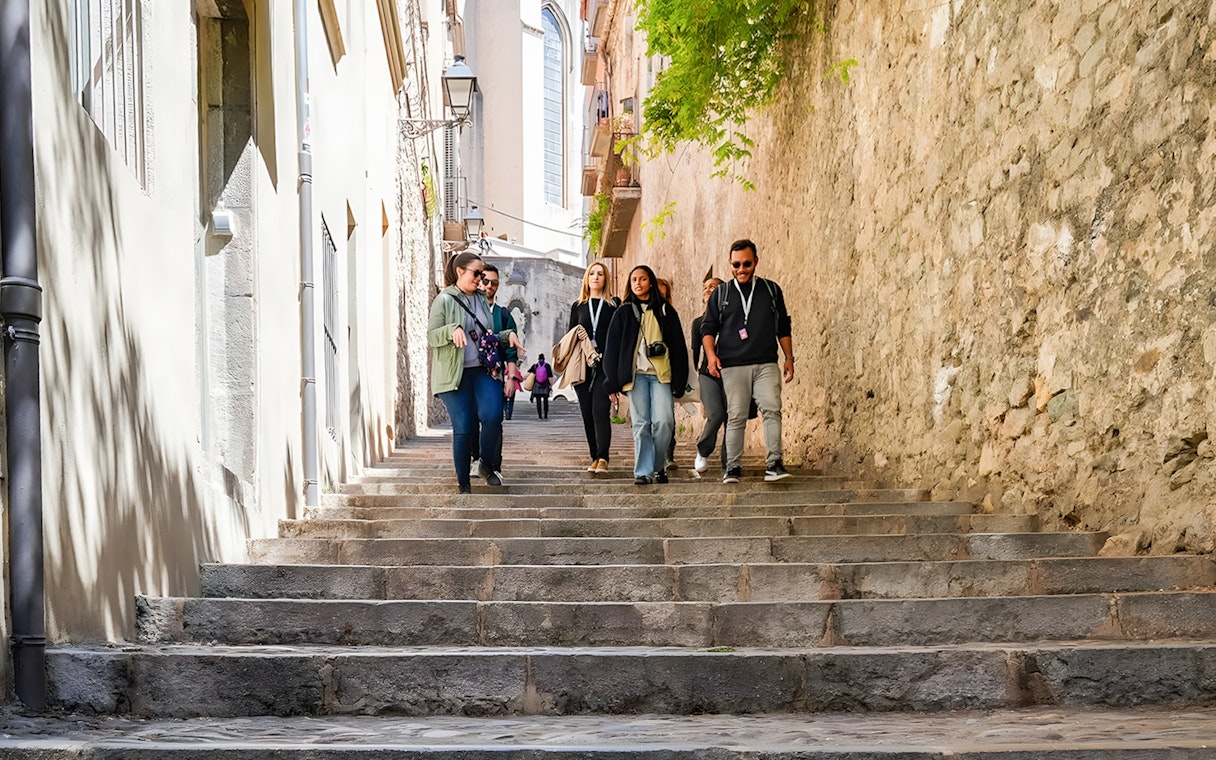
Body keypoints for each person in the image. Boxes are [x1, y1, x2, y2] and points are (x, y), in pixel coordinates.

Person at [427, 251, 523, 493]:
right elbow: (431, 336)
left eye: (482, 273)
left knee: (492, 416)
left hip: (483, 370)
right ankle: (464, 486)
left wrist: (506, 335)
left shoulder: (481, 298)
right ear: (460, 271)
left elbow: (485, 336)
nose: (481, 278)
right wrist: (451, 330)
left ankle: (486, 465)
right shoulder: (444, 300)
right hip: (454, 374)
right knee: (464, 427)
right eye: (476, 273)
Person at [701, 239, 795, 483]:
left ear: (755, 262)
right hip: (732, 366)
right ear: (730, 264)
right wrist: (711, 357)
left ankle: (774, 463)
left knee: (772, 410)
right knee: (737, 416)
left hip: (766, 363)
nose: (741, 269)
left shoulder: (771, 290)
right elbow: (708, 329)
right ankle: (732, 468)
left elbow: (783, 326)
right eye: (736, 264)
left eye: (746, 264)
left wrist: (789, 358)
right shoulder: (720, 294)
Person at [602, 265, 689, 486]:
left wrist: (680, 379)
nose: (638, 283)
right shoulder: (622, 313)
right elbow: (612, 349)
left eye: (642, 279)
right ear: (630, 285)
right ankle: (643, 472)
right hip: (635, 377)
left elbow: (678, 347)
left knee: (664, 422)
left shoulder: (666, 311)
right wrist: (612, 381)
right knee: (641, 424)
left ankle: (657, 466)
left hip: (661, 375)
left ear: (650, 281)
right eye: (634, 280)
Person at [568, 261, 619, 473]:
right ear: (587, 279)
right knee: (587, 412)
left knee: (600, 410)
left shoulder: (613, 304)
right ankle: (594, 457)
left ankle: (603, 457)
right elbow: (569, 337)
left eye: (600, 274)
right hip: (583, 366)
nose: (596, 277)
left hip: (605, 364)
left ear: (606, 278)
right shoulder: (578, 306)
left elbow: (618, 337)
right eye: (592, 274)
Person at [470, 263, 521, 474]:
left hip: (495, 375)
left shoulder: (503, 314)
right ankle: (475, 460)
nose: (489, 286)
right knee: (472, 419)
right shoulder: (469, 310)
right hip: (471, 372)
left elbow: (511, 350)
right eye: (485, 281)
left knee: (493, 419)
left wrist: (510, 378)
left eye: (494, 283)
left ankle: (493, 465)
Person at [691, 276, 728, 475]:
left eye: (712, 287)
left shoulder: (733, 319)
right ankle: (702, 451)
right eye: (705, 287)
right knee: (716, 414)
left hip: (733, 374)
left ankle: (729, 464)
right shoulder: (698, 323)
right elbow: (695, 353)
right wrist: (693, 378)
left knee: (733, 418)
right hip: (707, 374)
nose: (707, 290)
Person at [655, 277, 679, 472]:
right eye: (658, 294)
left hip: (666, 372)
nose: (661, 298)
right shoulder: (640, 314)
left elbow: (678, 347)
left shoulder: (670, 315)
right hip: (644, 374)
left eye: (665, 295)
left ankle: (668, 454)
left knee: (667, 416)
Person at [528, 353, 554, 419]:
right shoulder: (547, 366)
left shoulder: (535, 366)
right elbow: (550, 376)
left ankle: (540, 416)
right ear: (544, 359)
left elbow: (529, 373)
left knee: (538, 401)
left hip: (537, 385)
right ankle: (545, 415)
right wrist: (551, 386)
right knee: (545, 401)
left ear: (538, 359)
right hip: (545, 385)